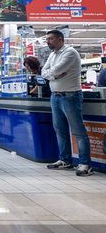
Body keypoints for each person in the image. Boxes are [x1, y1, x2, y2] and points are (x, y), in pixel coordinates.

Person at [41, 30, 93, 176]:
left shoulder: (70, 53)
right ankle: (65, 160)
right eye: (47, 39)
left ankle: (85, 164)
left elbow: (57, 69)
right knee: (60, 130)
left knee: (78, 132)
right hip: (55, 96)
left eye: (50, 39)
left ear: (60, 39)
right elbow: (43, 72)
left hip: (70, 96)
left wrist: (52, 74)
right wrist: (54, 76)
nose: (48, 42)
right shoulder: (52, 55)